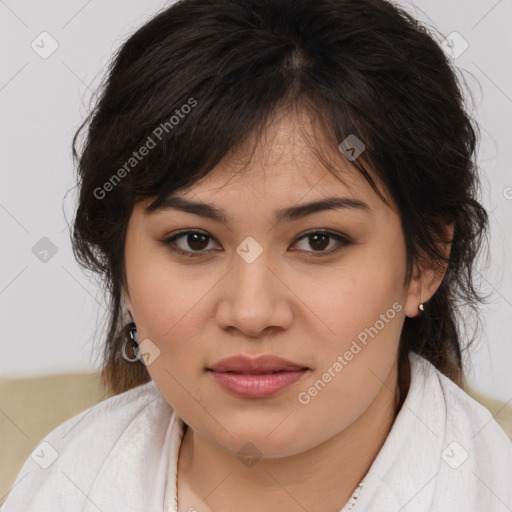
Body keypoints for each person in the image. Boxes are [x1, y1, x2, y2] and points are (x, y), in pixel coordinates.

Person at [2, 0, 512, 510]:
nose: (250, 313)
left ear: (425, 263)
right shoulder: (50, 485)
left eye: (319, 240)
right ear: (123, 266)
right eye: (194, 240)